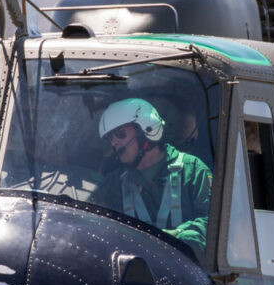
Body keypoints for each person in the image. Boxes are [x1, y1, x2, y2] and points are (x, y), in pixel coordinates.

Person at [91, 98, 212, 252]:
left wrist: (177, 237)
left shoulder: (194, 170)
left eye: (120, 134)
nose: (114, 143)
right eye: (110, 138)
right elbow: (99, 229)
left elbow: (213, 224)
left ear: (146, 130)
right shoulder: (113, 184)